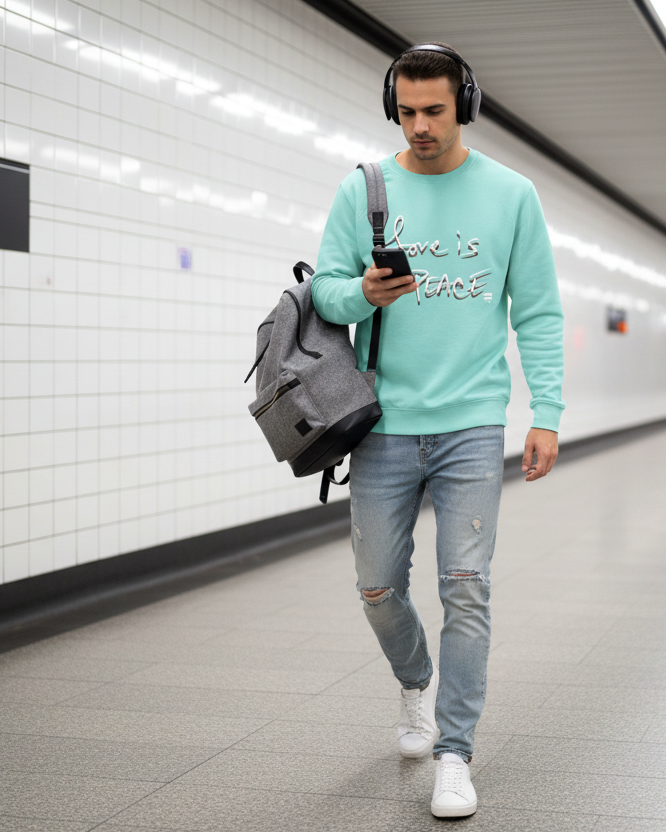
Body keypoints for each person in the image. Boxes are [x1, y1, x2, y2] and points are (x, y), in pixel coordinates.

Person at [311, 43, 564, 819]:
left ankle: (456, 753)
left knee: (466, 588)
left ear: (466, 107)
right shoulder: (363, 190)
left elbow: (539, 313)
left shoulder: (512, 195)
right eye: (407, 111)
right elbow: (324, 293)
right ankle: (415, 681)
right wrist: (363, 292)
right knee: (378, 587)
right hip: (382, 424)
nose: (420, 126)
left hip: (471, 425)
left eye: (435, 111)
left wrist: (546, 413)